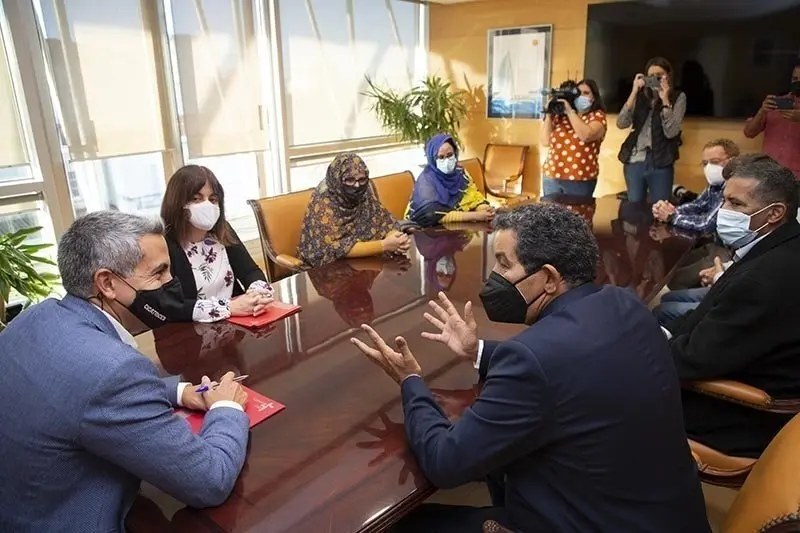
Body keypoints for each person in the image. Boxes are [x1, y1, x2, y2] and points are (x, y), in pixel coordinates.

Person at [351, 203, 710, 533]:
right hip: (667, 515)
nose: (492, 275)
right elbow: (573, 365)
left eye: (504, 264)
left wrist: (411, 381)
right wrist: (477, 350)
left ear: (550, 279)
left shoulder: (532, 358)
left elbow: (446, 462)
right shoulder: (625, 303)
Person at [0, 211, 250, 532]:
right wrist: (226, 407)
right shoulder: (111, 370)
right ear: (107, 283)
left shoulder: (33, 319)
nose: (171, 283)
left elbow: (73, 392)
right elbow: (208, 482)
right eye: (158, 273)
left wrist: (179, 391)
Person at [663, 158, 800, 458]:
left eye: (736, 204)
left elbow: (692, 360)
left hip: (739, 416)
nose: (723, 212)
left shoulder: (764, 279)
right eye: (724, 200)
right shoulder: (782, 246)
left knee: (607, 391)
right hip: (747, 380)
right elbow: (710, 316)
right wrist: (662, 331)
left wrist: (637, 349)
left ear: (775, 213)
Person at [161, 165, 273, 323]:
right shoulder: (164, 245)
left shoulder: (223, 232)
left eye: (213, 199)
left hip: (237, 326)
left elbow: (250, 272)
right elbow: (171, 305)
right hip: (192, 334)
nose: (207, 205)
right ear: (178, 202)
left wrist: (257, 293)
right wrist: (229, 308)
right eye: (196, 198)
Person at [298, 153, 409, 267]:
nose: (357, 186)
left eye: (361, 180)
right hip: (328, 271)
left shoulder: (363, 194)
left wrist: (396, 238)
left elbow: (386, 222)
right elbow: (335, 247)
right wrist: (384, 245)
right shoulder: (323, 201)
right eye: (350, 180)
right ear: (337, 179)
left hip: (366, 264)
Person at [617, 57, 687, 202]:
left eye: (659, 75)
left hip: (661, 160)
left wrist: (665, 99)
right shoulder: (641, 95)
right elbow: (621, 123)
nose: (655, 79)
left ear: (668, 75)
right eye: (651, 76)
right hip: (635, 158)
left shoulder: (678, 97)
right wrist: (634, 91)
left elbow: (672, 131)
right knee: (635, 207)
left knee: (660, 207)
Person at [406, 133, 494, 227]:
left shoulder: (460, 173)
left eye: (450, 155)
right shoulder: (426, 181)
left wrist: (484, 209)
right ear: (432, 159)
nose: (447, 160)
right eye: (441, 157)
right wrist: (475, 216)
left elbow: (475, 198)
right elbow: (432, 215)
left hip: (458, 228)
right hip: (426, 232)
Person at [652, 138, 740, 233]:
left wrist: (671, 216)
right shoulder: (715, 184)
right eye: (705, 163)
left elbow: (706, 224)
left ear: (733, 161)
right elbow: (698, 205)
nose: (709, 167)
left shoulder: (736, 187)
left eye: (715, 161)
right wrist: (668, 210)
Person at [540, 78, 608, 197]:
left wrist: (570, 112)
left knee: (576, 214)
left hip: (580, 178)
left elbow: (586, 135)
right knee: (550, 214)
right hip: (551, 176)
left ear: (594, 97)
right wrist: (549, 114)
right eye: (578, 93)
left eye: (586, 93)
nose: (581, 96)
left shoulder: (597, 116)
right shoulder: (561, 116)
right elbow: (545, 141)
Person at [743, 60, 800, 178]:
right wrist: (762, 111)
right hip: (767, 174)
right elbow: (749, 132)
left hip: (796, 178)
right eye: (795, 79)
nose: (797, 83)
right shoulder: (776, 103)